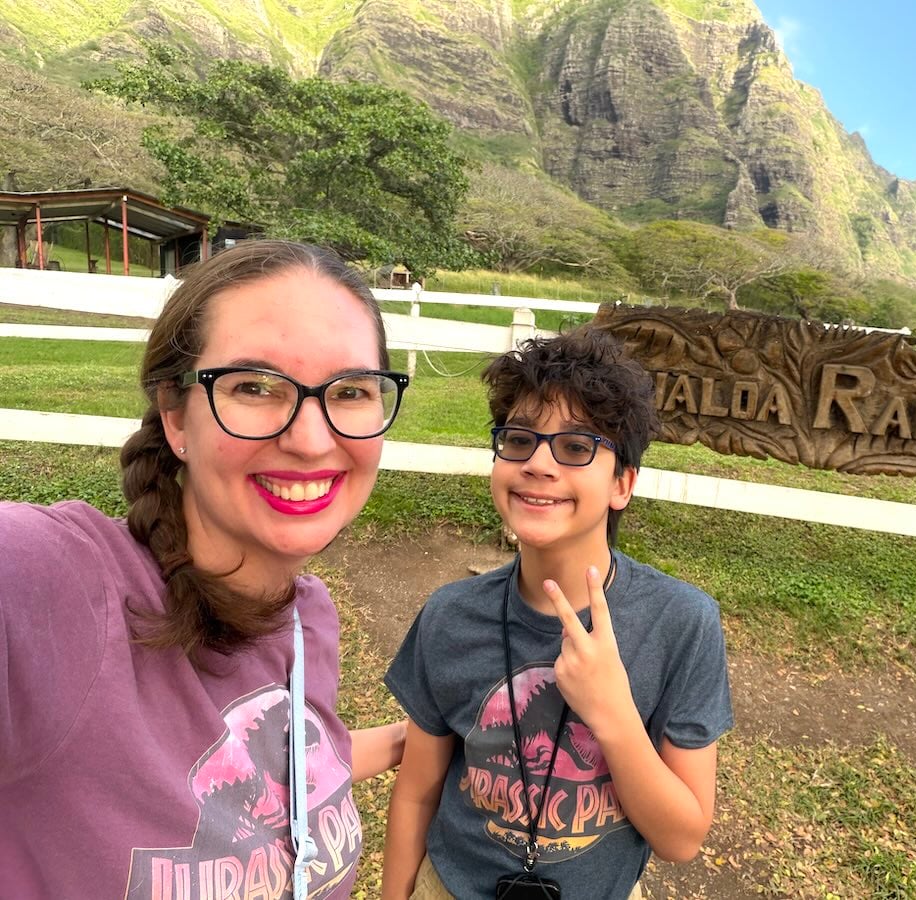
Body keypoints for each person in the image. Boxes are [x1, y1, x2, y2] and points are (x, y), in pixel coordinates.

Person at [0, 240, 408, 897]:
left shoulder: (309, 619)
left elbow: (271, 776)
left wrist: (406, 741)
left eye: (352, 391)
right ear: (174, 413)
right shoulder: (58, 587)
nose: (311, 439)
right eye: (253, 386)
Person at [382, 328, 734, 899]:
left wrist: (613, 713)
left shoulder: (681, 624)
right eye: (519, 440)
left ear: (623, 483)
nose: (539, 464)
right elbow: (418, 792)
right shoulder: (450, 616)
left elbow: (682, 838)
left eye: (576, 448)